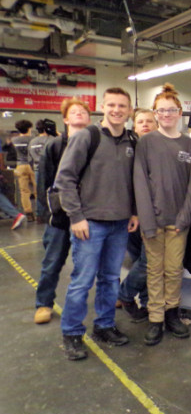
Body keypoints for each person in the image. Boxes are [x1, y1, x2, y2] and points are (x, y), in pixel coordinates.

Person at [54, 87, 138, 361]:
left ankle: (104, 326)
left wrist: (134, 212)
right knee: (82, 281)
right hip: (90, 224)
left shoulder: (132, 141)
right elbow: (64, 179)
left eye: (122, 106)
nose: (116, 110)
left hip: (120, 223)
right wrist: (76, 217)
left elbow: (134, 182)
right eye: (111, 105)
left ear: (129, 110)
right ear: (103, 106)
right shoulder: (87, 137)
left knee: (111, 279)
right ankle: (72, 332)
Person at [134, 84, 191, 346]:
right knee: (154, 270)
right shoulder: (146, 142)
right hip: (153, 221)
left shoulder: (189, 145)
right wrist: (147, 221)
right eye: (162, 110)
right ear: (156, 113)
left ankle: (172, 314)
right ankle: (156, 319)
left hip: (178, 222)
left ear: (179, 112)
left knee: (173, 271)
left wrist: (183, 218)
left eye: (172, 109)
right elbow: (140, 182)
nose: (167, 114)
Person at [33, 99, 92, 325]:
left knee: (92, 262)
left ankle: (112, 296)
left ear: (89, 118)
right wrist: (49, 215)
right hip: (59, 218)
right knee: (52, 262)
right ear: (65, 119)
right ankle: (44, 303)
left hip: (88, 216)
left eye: (83, 111)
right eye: (73, 112)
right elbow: (44, 183)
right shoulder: (55, 146)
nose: (79, 114)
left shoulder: (95, 143)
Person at [117, 108, 158, 323]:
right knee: (145, 261)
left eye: (149, 121)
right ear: (134, 126)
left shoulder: (157, 148)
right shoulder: (129, 149)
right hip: (132, 215)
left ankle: (146, 303)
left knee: (143, 260)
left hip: (149, 214)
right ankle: (125, 294)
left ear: (156, 124)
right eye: (140, 121)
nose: (145, 125)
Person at [30, 119, 56, 222]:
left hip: (37, 169)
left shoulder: (32, 141)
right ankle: (50, 212)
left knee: (39, 192)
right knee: (50, 192)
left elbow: (30, 158)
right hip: (50, 169)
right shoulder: (52, 140)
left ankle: (39, 215)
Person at [13, 120, 36, 221]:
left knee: (24, 191)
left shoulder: (14, 140)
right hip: (32, 165)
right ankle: (40, 213)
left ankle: (28, 213)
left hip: (20, 166)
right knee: (37, 189)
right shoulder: (33, 139)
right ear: (29, 128)